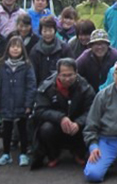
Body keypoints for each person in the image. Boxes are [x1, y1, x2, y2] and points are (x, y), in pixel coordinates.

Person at [31, 58, 95, 169]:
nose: (67, 78)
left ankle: (79, 152)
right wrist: (60, 118)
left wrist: (78, 123)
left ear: (76, 73)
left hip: (77, 126)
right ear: (58, 74)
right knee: (46, 128)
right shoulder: (46, 88)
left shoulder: (85, 88)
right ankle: (53, 155)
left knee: (88, 126)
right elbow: (39, 110)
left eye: (70, 75)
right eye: (64, 75)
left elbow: (92, 110)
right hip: (56, 126)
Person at [0, 36, 36, 166]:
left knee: (22, 129)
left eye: (18, 46)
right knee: (6, 129)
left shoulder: (27, 66)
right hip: (6, 103)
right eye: (12, 46)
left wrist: (28, 104)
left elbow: (31, 86)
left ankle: (23, 154)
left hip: (21, 104)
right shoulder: (2, 65)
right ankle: (6, 154)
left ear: (23, 49)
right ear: (7, 48)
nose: (15, 49)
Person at [30, 16, 72, 85]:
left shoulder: (64, 48)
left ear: (55, 31)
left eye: (50, 30)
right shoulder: (35, 51)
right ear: (41, 32)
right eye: (45, 31)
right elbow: (33, 74)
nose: (48, 34)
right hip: (41, 88)